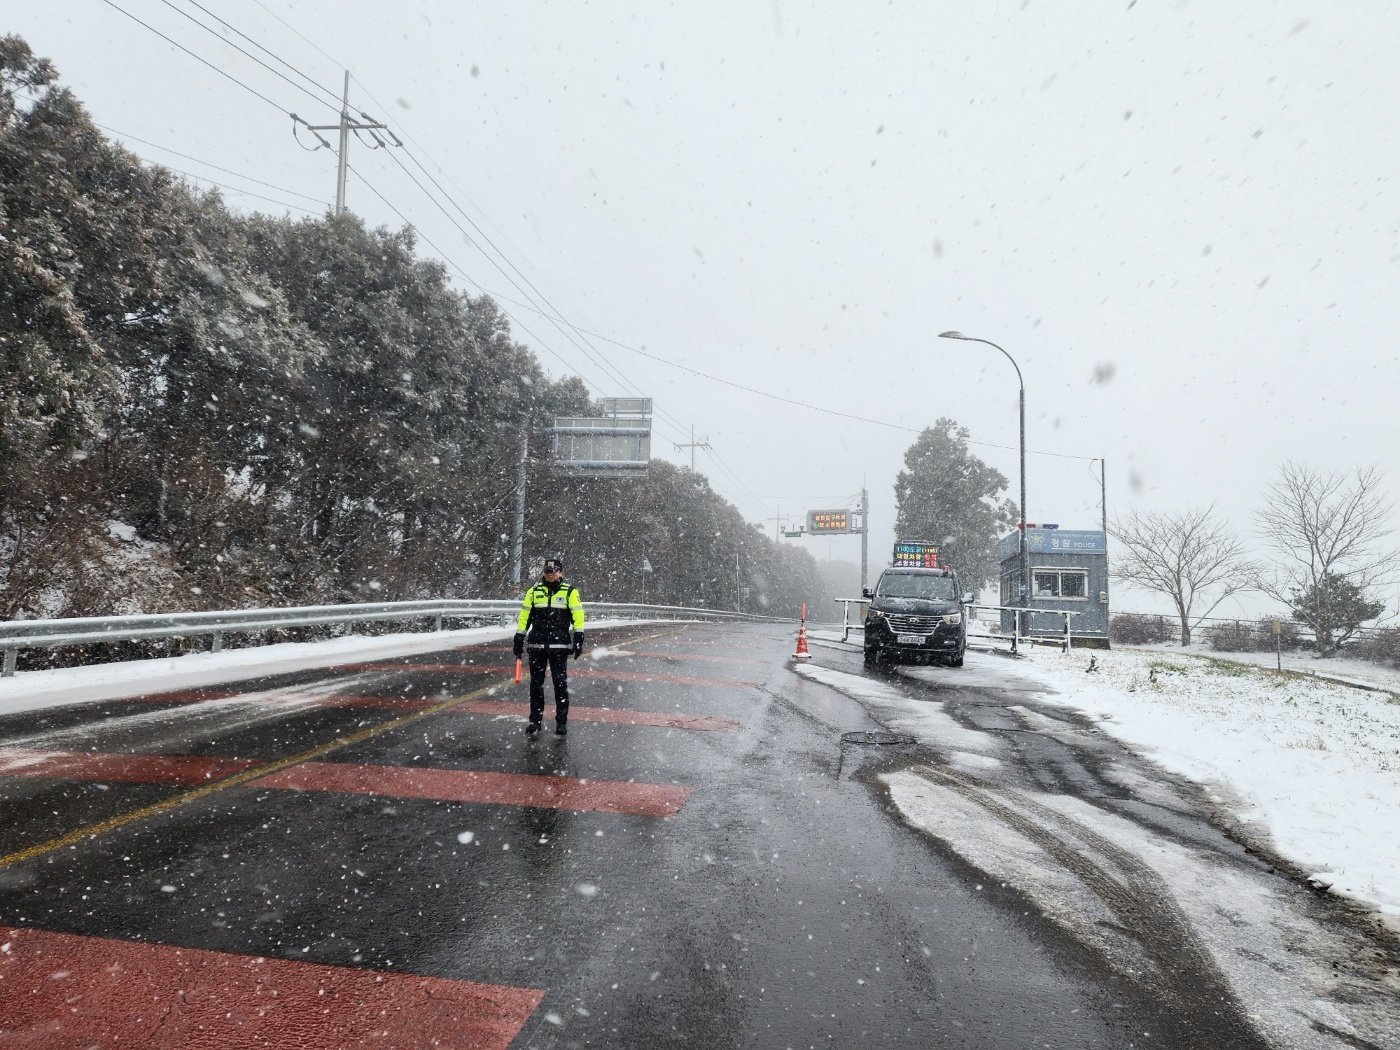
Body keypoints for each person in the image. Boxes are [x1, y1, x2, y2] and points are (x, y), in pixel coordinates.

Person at [512, 556, 586, 736]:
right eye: (546, 572)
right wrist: (519, 636)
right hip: (537, 645)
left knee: (560, 684)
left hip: (559, 647)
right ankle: (535, 721)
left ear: (561, 572)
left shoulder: (570, 592)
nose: (549, 575)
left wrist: (578, 637)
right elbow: (525, 617)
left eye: (553, 572)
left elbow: (578, 615)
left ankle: (561, 722)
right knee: (536, 685)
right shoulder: (533, 591)